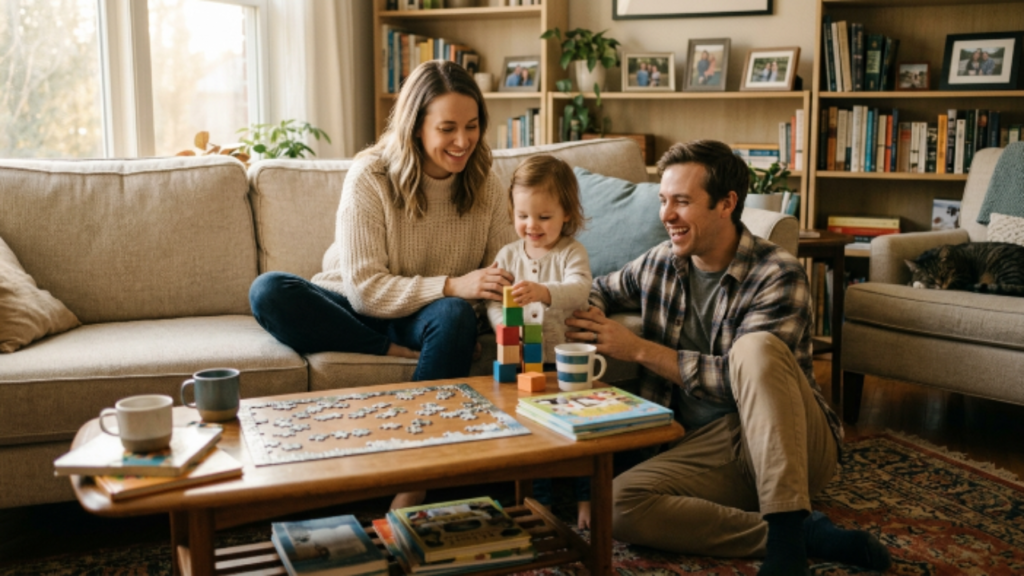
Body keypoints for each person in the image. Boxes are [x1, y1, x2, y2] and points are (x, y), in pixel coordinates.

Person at [564, 140, 892, 576]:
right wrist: (587, 312)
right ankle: (796, 533)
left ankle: (787, 550)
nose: (666, 215)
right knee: (617, 505)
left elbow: (742, 379)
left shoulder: (778, 273)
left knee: (753, 349)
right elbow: (600, 288)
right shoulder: (662, 262)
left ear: (726, 203)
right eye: (663, 200)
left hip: (791, 440)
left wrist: (637, 348)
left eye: (682, 201)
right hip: (707, 445)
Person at [248, 60, 517, 509]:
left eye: (472, 126)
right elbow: (366, 290)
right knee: (269, 290)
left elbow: (501, 275)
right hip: (354, 305)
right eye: (447, 128)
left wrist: (485, 304)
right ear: (415, 128)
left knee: (452, 317)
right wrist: (453, 284)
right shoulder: (370, 176)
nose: (463, 141)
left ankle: (412, 484)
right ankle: (388, 350)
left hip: (426, 313)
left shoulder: (485, 181)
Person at [486, 155, 593, 529]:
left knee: (579, 430)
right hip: (522, 361)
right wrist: (505, 328)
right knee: (534, 433)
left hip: (563, 361)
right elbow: (494, 302)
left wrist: (544, 291)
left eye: (543, 217)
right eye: (523, 215)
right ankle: (539, 505)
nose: (531, 226)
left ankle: (586, 499)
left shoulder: (570, 252)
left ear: (567, 214)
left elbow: (580, 289)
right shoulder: (508, 255)